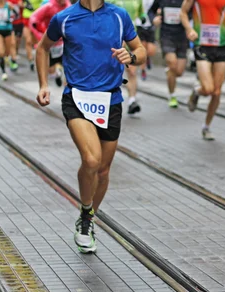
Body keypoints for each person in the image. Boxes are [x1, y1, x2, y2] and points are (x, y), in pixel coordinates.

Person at [35, 0, 147, 253]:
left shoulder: (119, 16)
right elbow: (42, 49)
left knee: (104, 171)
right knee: (92, 159)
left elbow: (140, 50)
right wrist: (43, 84)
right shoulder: (64, 18)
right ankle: (86, 216)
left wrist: (131, 56)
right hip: (77, 98)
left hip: (110, 99)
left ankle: (88, 216)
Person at [182, 0, 225, 141]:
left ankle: (206, 126)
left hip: (222, 44)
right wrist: (189, 29)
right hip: (202, 44)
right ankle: (197, 91)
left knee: (216, 92)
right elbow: (182, 12)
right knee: (207, 89)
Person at [108, 0, 144, 115]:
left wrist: (144, 18)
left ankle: (132, 100)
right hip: (113, 40)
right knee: (111, 71)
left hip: (131, 38)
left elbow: (142, 13)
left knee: (132, 72)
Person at [149, 0, 186, 108]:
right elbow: (151, 11)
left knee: (178, 71)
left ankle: (170, 71)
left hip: (182, 36)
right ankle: (172, 95)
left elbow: (193, 13)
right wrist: (154, 19)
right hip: (166, 35)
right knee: (172, 63)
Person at [28, 0, 69, 86]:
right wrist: (40, 35)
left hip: (64, 43)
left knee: (70, 72)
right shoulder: (48, 6)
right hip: (51, 44)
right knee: (50, 72)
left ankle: (68, 90)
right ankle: (57, 74)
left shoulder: (68, 5)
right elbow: (33, 20)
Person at [0, 0, 18, 80]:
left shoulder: (8, 5)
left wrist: (10, 19)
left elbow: (16, 15)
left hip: (7, 30)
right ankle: (3, 72)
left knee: (7, 52)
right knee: (1, 52)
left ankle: (10, 60)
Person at [136, 0, 156, 80]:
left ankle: (147, 58)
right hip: (139, 24)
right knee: (142, 48)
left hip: (150, 25)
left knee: (151, 50)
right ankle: (143, 70)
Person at [22, 0, 40, 70]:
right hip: (26, 18)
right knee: (28, 41)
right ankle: (30, 60)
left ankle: (38, 59)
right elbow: (21, 3)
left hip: (36, 18)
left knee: (36, 42)